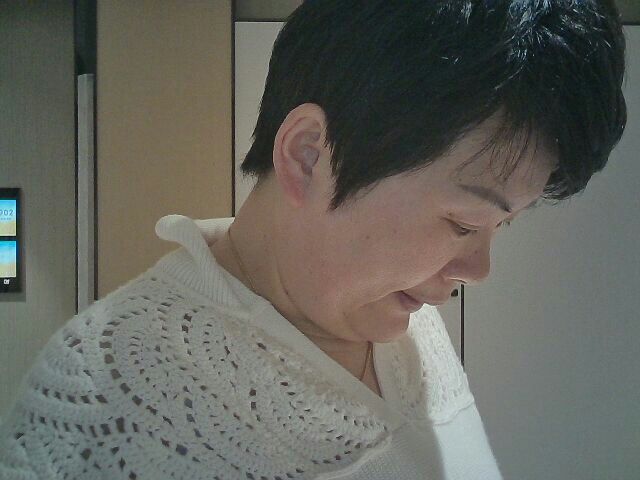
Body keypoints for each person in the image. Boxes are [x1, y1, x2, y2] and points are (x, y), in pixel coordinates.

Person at [0, 1, 626, 479]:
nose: (479, 268)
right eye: (464, 223)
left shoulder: (404, 316)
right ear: (309, 155)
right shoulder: (101, 392)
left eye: (499, 227)